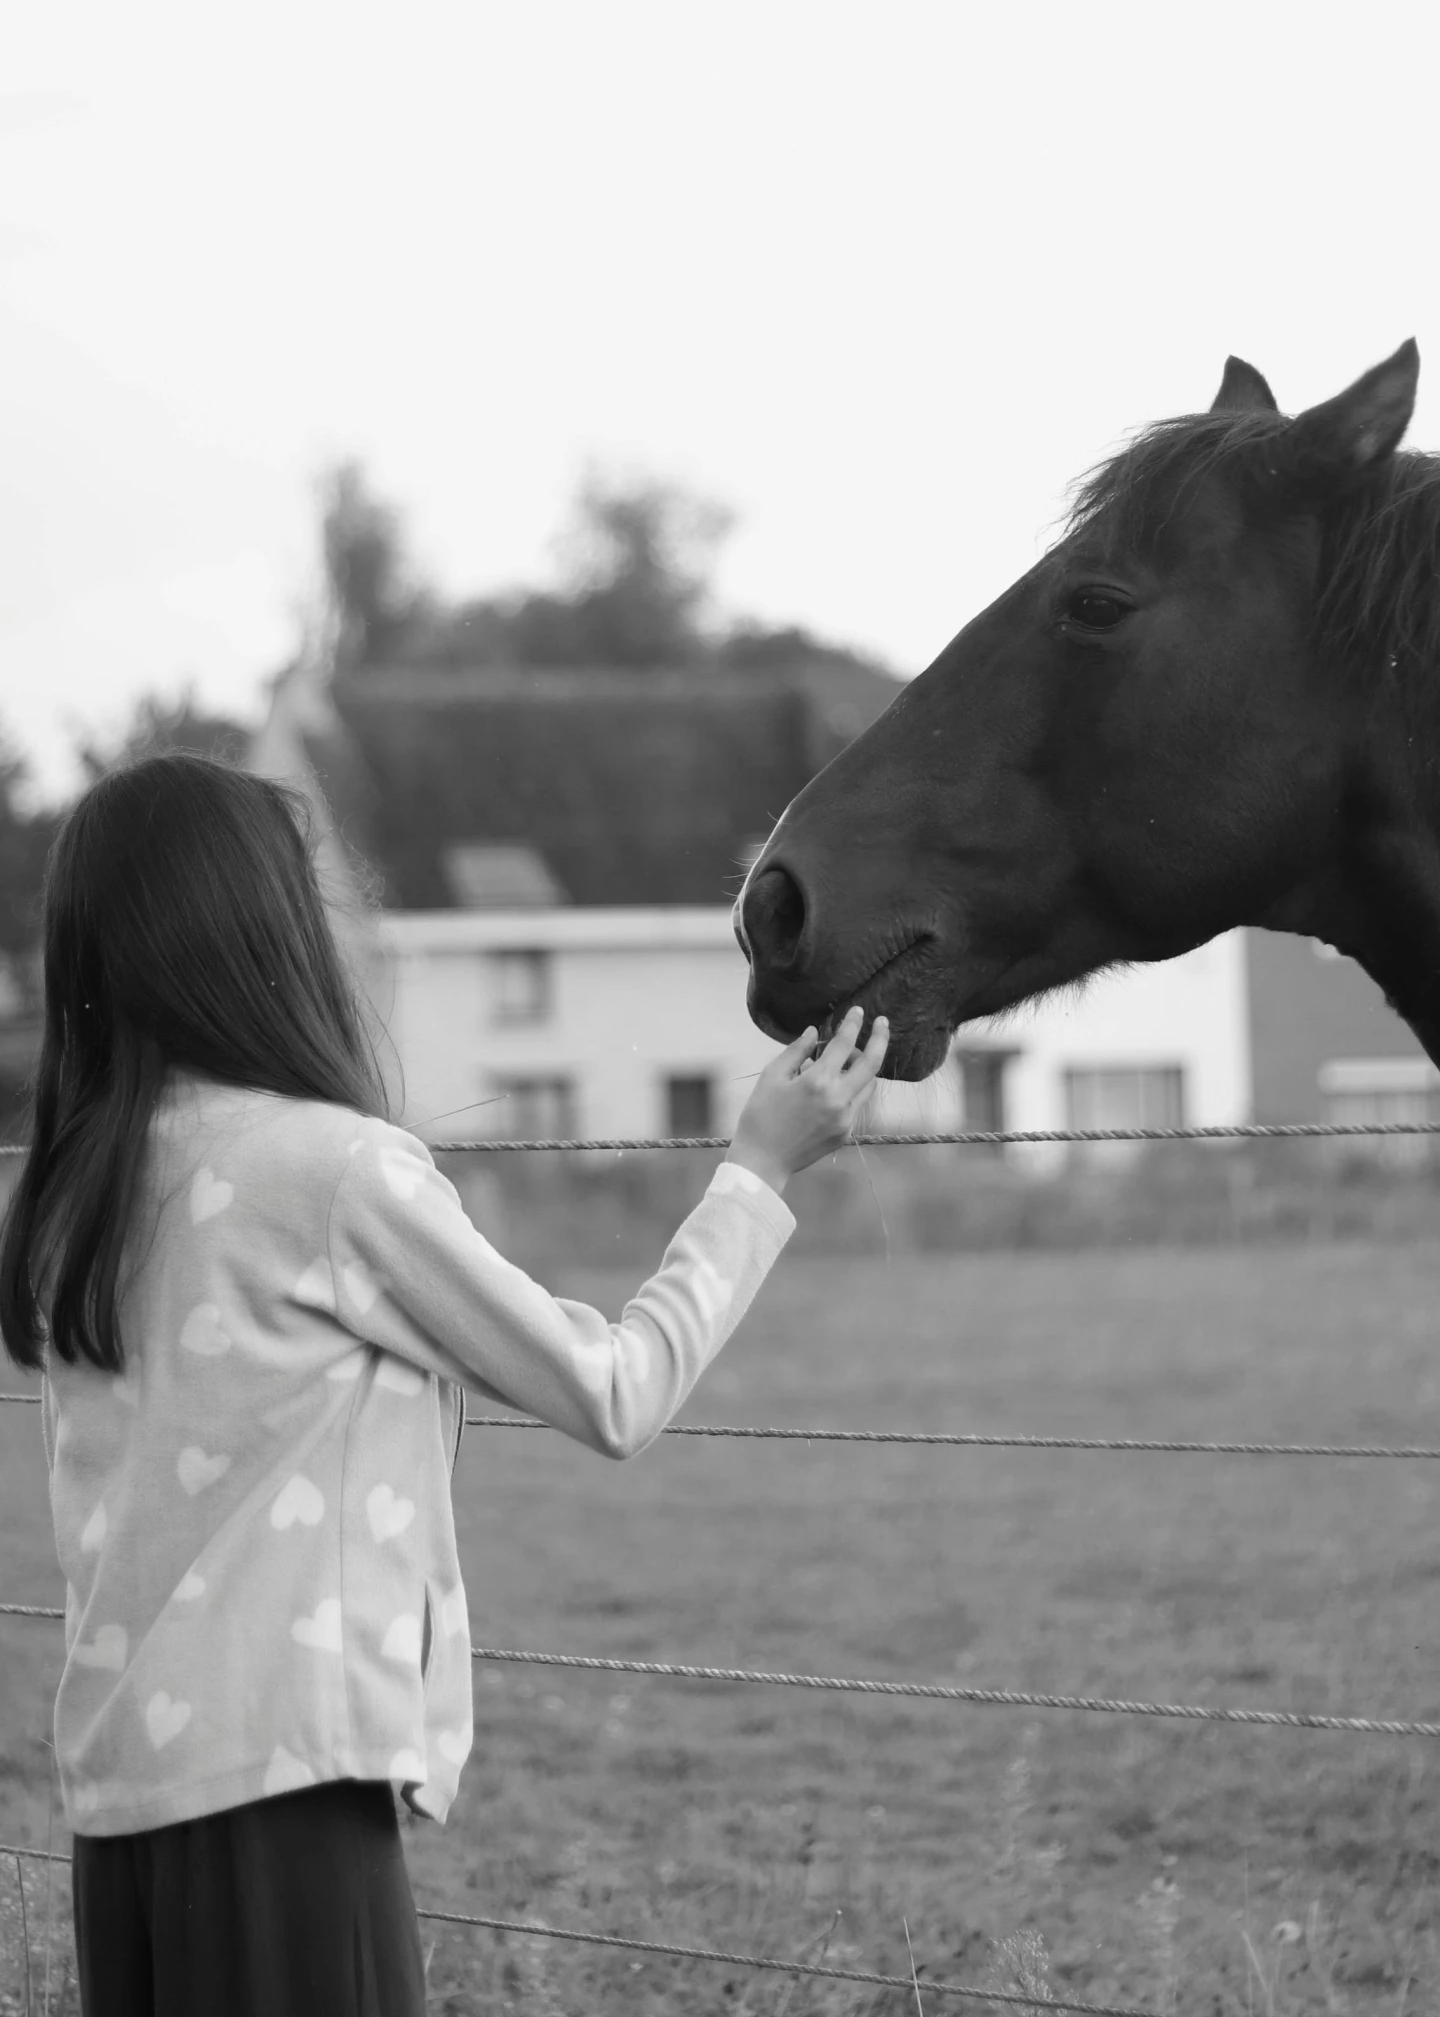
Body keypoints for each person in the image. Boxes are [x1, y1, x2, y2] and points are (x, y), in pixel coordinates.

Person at [0, 753, 889, 2017]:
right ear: (254, 935)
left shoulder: (77, 1192)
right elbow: (615, 1387)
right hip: (287, 1793)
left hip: (122, 1805)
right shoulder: (331, 1172)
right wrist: (759, 1170)